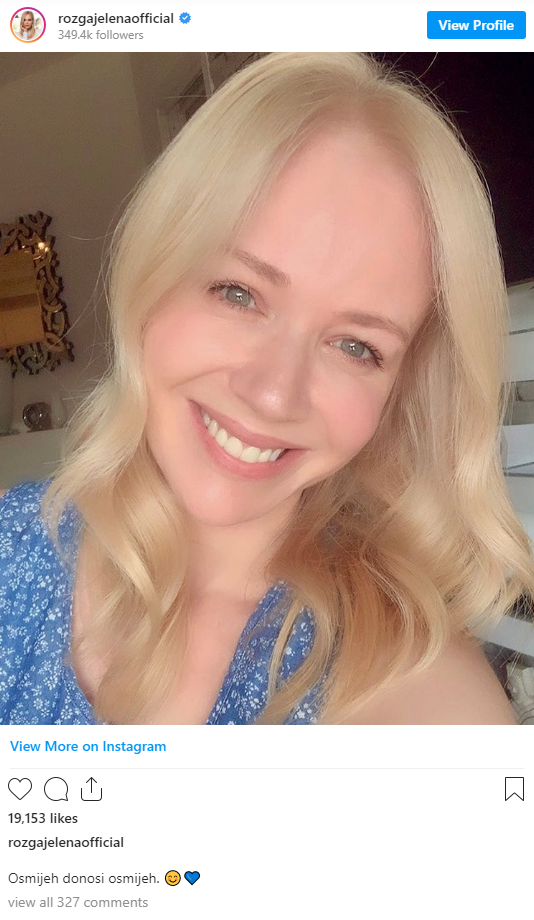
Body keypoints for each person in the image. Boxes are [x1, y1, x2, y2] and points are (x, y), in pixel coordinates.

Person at [1, 52, 533, 726]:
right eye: (239, 293)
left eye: (356, 346)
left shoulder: (414, 686)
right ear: (152, 279)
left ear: (400, 390)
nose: (274, 395)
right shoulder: (16, 544)